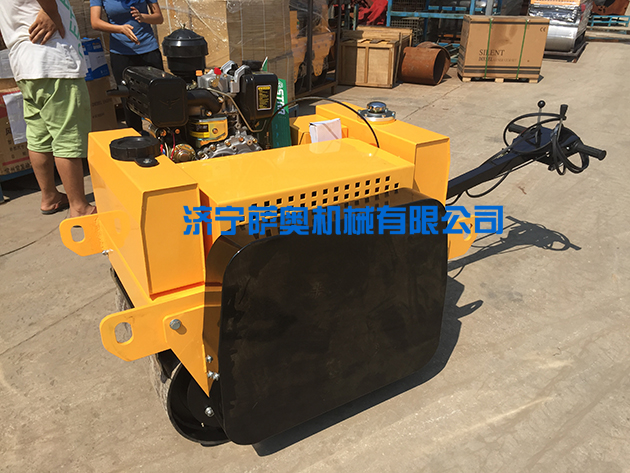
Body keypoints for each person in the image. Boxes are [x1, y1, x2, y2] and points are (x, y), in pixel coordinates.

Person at [0, 0, 96, 217]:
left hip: (26, 64)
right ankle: (80, 207)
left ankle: (50, 196)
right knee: (67, 136)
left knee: (38, 136)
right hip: (53, 60)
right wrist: (51, 11)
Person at [90, 0, 164, 133]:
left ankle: (164, 135)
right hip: (121, 53)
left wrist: (143, 17)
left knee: (159, 96)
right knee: (128, 98)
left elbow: (159, 17)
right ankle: (136, 136)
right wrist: (120, 29)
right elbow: (95, 22)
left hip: (148, 50)